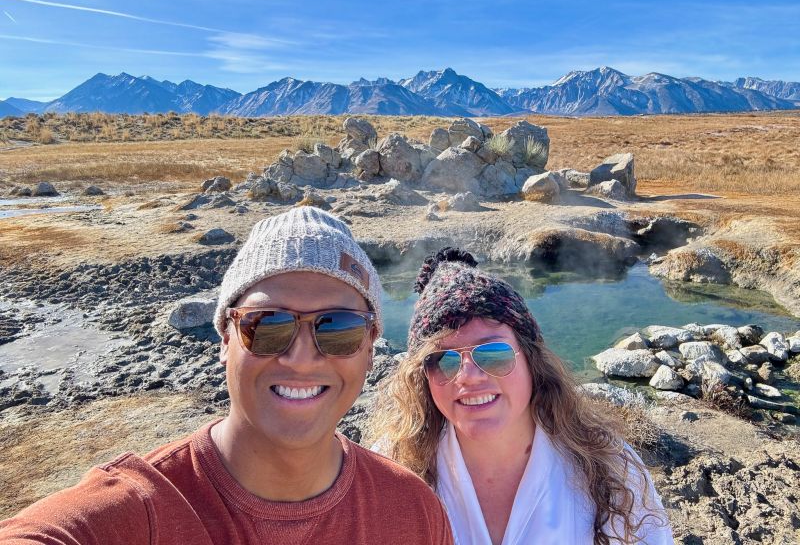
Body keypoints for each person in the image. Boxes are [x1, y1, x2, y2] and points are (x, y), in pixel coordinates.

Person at [0, 207, 453, 545]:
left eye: (338, 329)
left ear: (370, 349)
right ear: (224, 340)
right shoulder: (142, 509)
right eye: (266, 326)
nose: (300, 357)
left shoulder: (413, 511)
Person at [370, 247, 673, 545]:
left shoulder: (608, 467)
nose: (468, 376)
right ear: (422, 377)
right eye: (442, 360)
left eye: (493, 353)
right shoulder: (390, 467)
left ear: (532, 360)